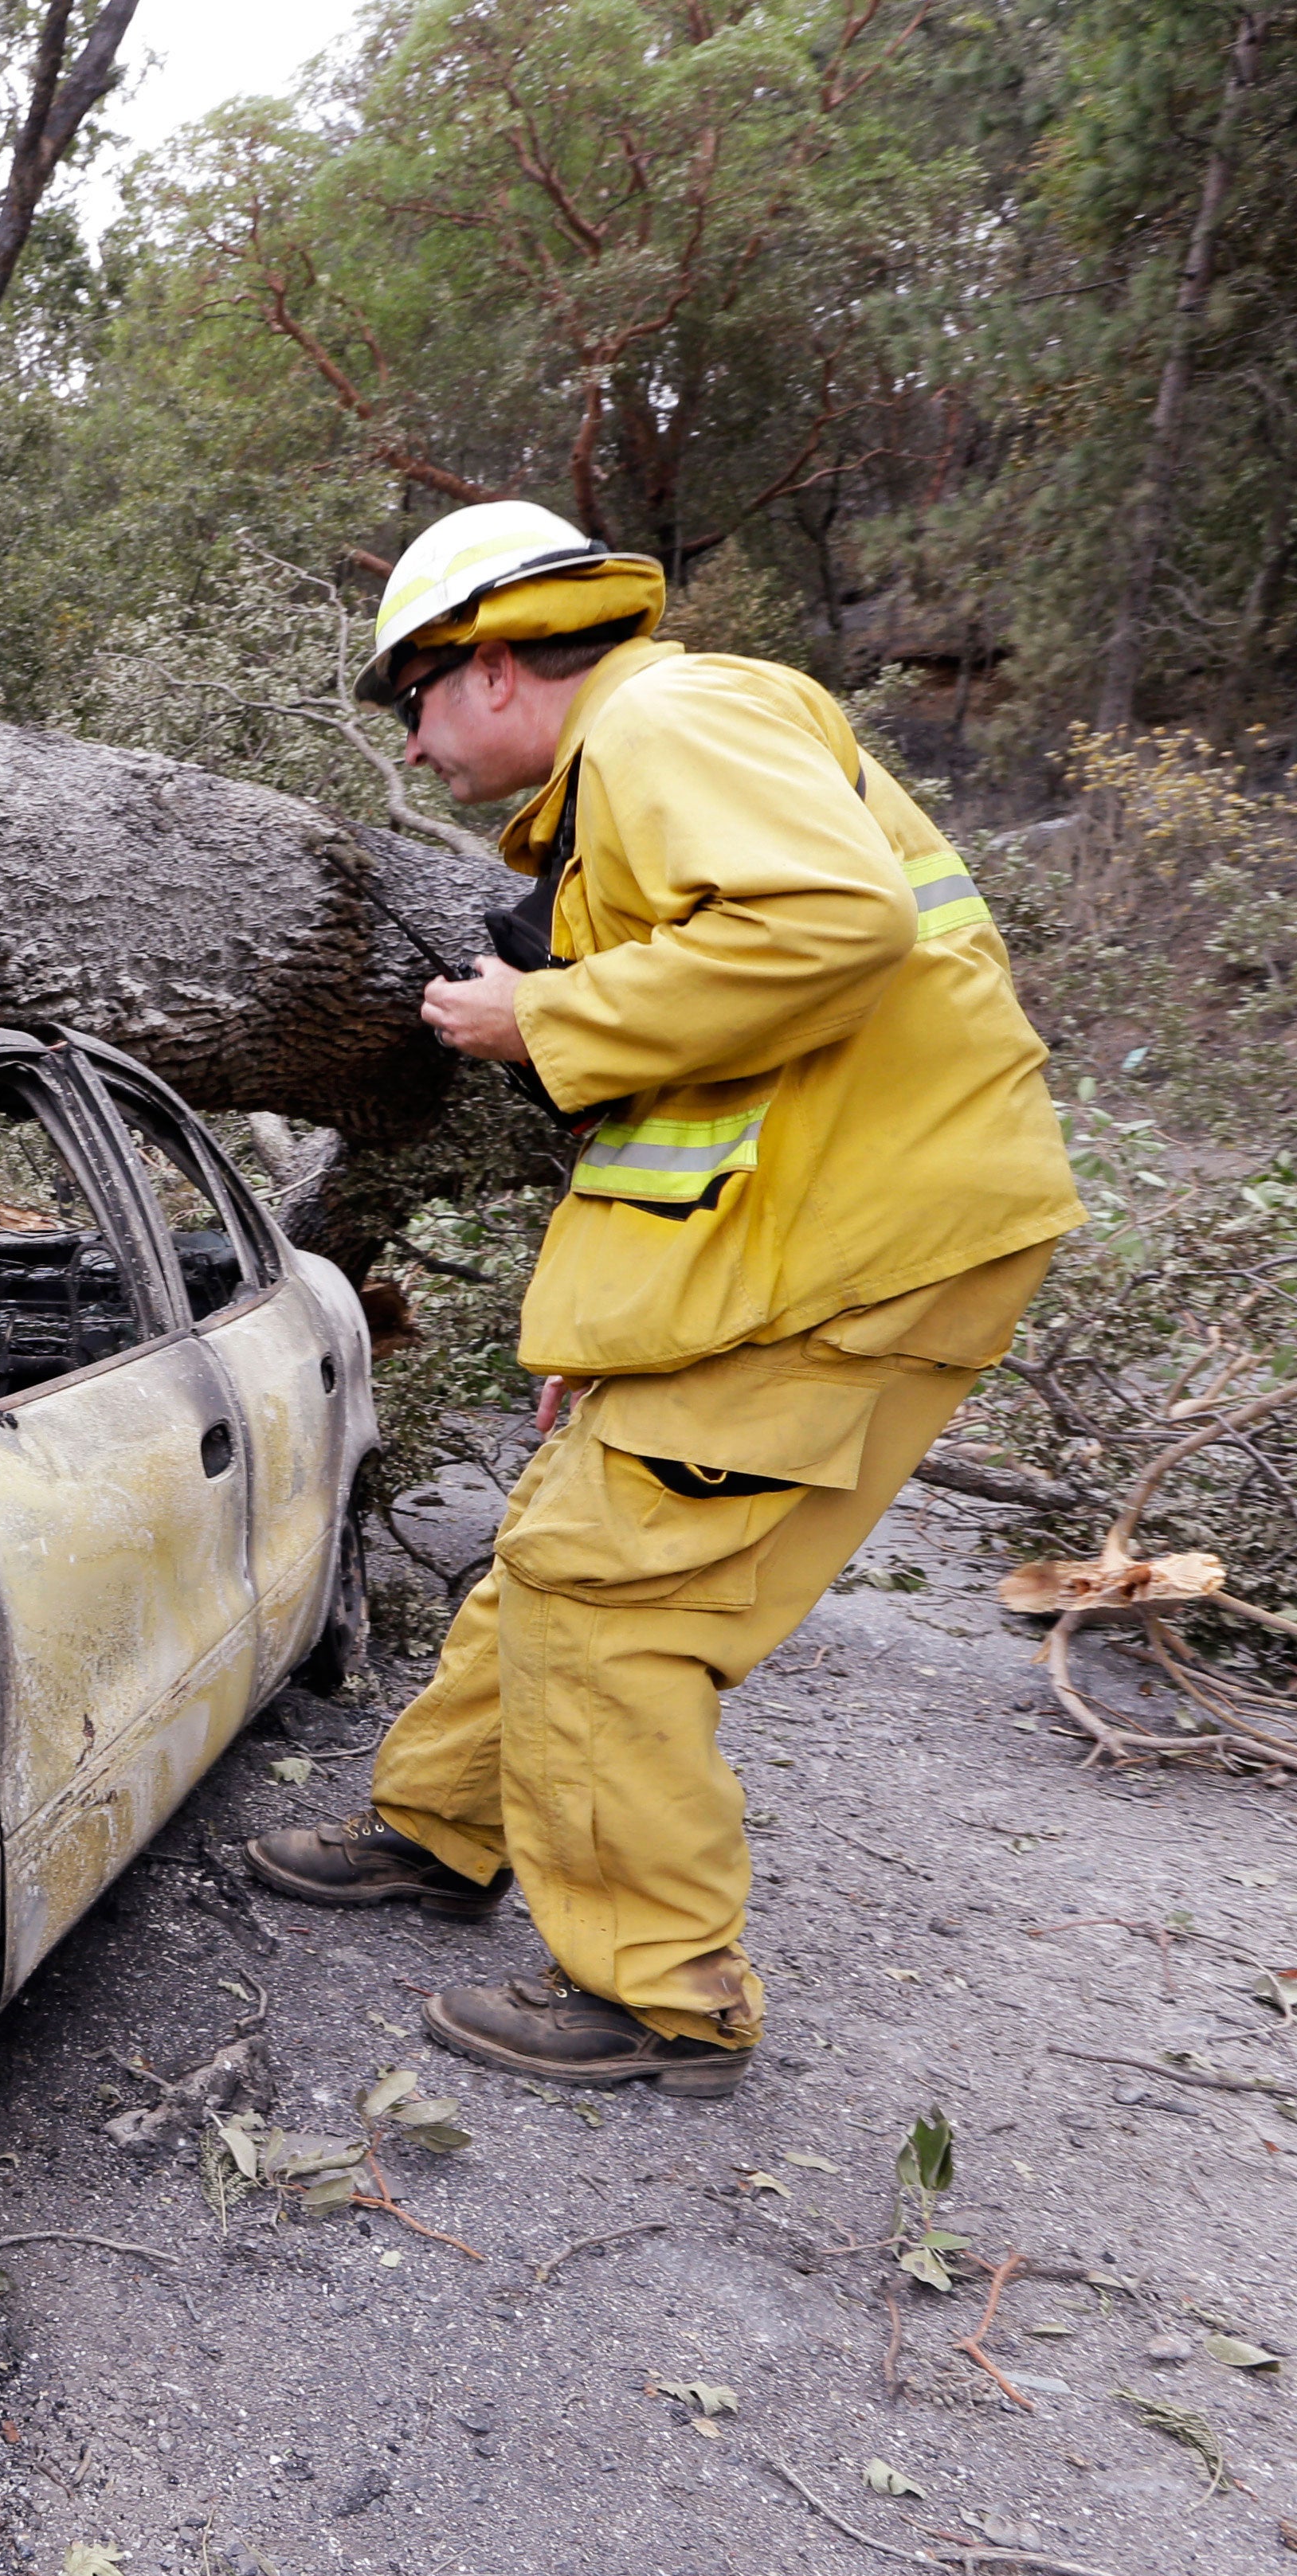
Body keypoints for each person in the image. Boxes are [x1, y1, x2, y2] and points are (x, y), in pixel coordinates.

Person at [245, 502, 1084, 2096]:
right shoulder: (634, 775)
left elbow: (834, 926)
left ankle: (660, 1996)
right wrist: (624, 1335)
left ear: (491, 663)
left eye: (406, 703)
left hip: (865, 1243)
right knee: (561, 1544)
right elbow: (714, 1091)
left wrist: (541, 1008)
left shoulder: (667, 719)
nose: (411, 751)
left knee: (609, 1598)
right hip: (781, 1252)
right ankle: (444, 1830)